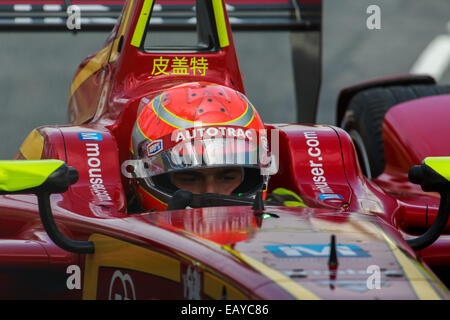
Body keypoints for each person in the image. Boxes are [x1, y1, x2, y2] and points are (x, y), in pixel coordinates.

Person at [127, 82, 306, 212]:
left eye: (227, 177)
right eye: (190, 178)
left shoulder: (289, 211)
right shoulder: (112, 239)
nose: (210, 192)